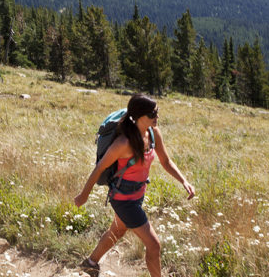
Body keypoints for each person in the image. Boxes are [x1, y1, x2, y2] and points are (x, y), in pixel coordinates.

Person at [73, 94, 195, 277]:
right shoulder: (123, 143)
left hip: (137, 194)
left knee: (119, 229)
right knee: (154, 245)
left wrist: (184, 180)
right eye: (153, 113)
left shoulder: (153, 133)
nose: (157, 117)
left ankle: (90, 263)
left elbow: (166, 161)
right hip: (123, 199)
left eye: (157, 112)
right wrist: (84, 195)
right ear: (139, 116)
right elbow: (99, 168)